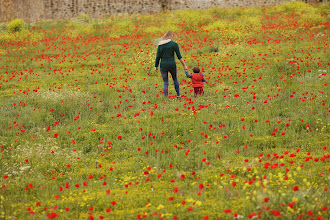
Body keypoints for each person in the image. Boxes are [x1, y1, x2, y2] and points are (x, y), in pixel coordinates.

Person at [154, 30, 188, 98]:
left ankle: (166, 97)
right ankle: (178, 95)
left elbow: (158, 56)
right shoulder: (174, 44)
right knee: (175, 79)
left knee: (165, 82)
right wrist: (184, 65)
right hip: (172, 64)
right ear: (171, 36)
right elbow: (179, 56)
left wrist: (156, 66)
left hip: (163, 65)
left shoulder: (160, 45)